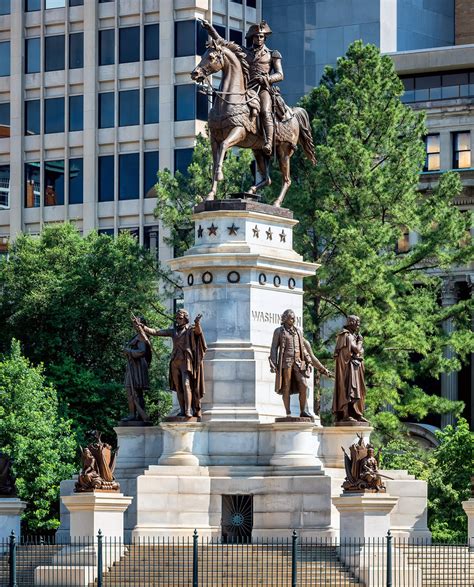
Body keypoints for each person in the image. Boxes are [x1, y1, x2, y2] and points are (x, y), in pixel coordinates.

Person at [200, 19, 283, 156]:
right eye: (256, 36)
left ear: (265, 37)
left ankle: (268, 141)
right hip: (245, 88)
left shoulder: (273, 54)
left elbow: (280, 75)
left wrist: (267, 78)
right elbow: (222, 42)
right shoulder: (244, 52)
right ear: (252, 37)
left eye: (262, 36)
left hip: (262, 88)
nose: (259, 39)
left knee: (265, 111)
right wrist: (209, 28)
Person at [137, 310, 207, 419]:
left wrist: (197, 323)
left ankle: (189, 410)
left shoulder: (190, 330)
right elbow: (156, 332)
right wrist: (143, 327)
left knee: (186, 384)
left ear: (185, 318)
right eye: (177, 318)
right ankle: (182, 410)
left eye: (180, 318)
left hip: (186, 362)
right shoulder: (173, 331)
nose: (178, 320)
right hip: (175, 362)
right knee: (179, 387)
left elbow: (198, 332)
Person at [269, 309, 314, 418]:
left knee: (303, 385)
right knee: (286, 387)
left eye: (294, 318)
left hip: (299, 362)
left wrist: (308, 360)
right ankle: (288, 413)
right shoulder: (279, 331)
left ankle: (303, 411)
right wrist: (273, 363)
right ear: (285, 318)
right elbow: (274, 348)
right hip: (286, 363)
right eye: (291, 318)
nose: (294, 320)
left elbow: (302, 348)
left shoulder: (298, 331)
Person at [333, 315, 368, 423]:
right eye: (357, 322)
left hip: (355, 367)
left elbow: (359, 352)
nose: (358, 325)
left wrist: (359, 349)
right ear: (351, 323)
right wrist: (360, 341)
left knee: (357, 391)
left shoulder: (353, 336)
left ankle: (356, 412)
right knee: (349, 391)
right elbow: (357, 350)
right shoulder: (346, 336)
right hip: (348, 369)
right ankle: (346, 414)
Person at [122, 316, 152, 422]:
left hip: (137, 366)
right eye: (134, 323)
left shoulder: (142, 337)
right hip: (134, 365)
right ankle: (138, 415)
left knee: (131, 389)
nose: (134, 324)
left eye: (136, 322)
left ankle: (133, 415)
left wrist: (129, 351)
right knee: (135, 391)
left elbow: (142, 351)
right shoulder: (138, 336)